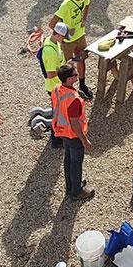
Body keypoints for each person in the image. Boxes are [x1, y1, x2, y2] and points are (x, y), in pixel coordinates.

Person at [52, 63, 95, 201]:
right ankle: (77, 192)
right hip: (73, 134)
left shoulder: (58, 89)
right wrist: (84, 140)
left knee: (68, 160)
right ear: (69, 79)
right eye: (75, 75)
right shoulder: (73, 99)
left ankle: (71, 186)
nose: (78, 76)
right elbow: (75, 122)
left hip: (61, 131)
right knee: (76, 162)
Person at [48, 0, 94, 100]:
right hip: (68, 42)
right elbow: (52, 24)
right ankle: (67, 92)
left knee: (81, 60)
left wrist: (84, 18)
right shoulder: (66, 5)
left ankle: (82, 86)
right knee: (68, 67)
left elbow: (87, 4)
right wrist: (65, 33)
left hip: (80, 36)